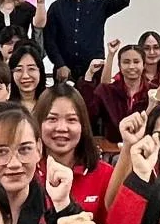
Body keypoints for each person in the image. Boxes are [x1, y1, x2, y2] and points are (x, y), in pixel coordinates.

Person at [42, 0, 129, 82]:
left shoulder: (100, 3)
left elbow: (123, 0)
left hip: (95, 70)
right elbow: (49, 40)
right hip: (65, 72)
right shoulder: (57, 7)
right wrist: (60, 64)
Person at [36, 85, 113, 215]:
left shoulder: (105, 175)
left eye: (71, 120)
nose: (61, 128)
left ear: (83, 126)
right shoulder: (28, 174)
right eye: (52, 119)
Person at [84, 39, 151, 145]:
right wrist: (88, 77)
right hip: (112, 148)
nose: (131, 66)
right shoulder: (107, 91)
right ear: (119, 65)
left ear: (144, 65)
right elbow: (88, 115)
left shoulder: (152, 92)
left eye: (136, 62)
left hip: (144, 147)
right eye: (126, 62)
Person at [9, 42, 49, 114]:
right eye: (19, 70)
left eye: (31, 69)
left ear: (40, 71)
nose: (25, 76)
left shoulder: (50, 104)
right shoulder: (6, 108)